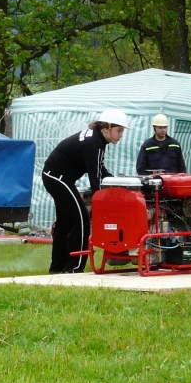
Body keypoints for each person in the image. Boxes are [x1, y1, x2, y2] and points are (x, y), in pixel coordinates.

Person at [41, 109, 129, 274]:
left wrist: (116, 182)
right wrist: (103, 206)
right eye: (119, 131)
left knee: (64, 223)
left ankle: (57, 268)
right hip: (57, 177)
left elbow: (99, 168)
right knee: (81, 220)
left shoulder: (97, 140)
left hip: (56, 176)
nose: (121, 135)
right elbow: (96, 180)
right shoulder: (94, 144)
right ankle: (74, 268)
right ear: (107, 128)